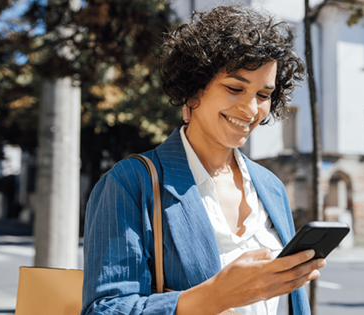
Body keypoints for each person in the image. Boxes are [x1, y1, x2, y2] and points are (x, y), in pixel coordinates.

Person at [81, 5, 324, 315]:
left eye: (264, 95)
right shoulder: (130, 183)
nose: (251, 110)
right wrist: (214, 297)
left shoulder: (270, 186)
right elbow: (104, 309)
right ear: (194, 90)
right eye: (235, 88)